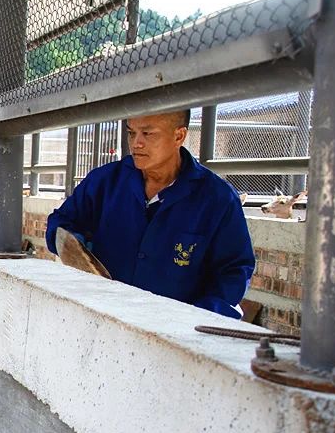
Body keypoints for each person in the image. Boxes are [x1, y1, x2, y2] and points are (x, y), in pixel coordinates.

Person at [45, 109, 255, 319]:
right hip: (102, 317)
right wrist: (74, 247)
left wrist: (198, 316)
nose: (136, 143)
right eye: (131, 133)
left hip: (172, 329)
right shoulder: (104, 182)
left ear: (179, 136)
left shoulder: (218, 199)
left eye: (148, 134)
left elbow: (234, 270)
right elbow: (61, 223)